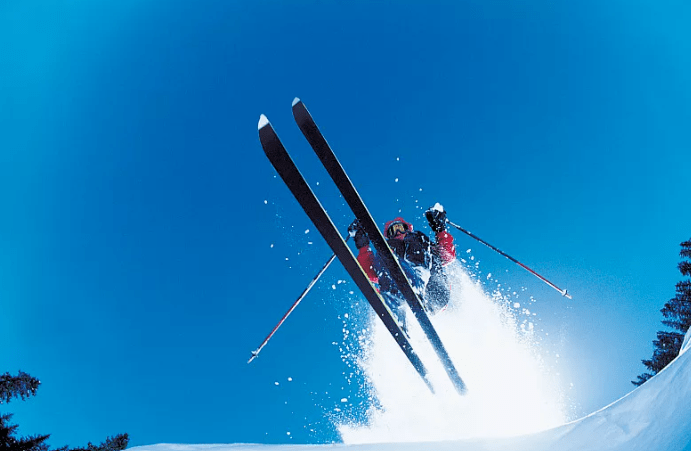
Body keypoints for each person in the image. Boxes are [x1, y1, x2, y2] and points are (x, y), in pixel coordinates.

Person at [347, 204, 456, 327]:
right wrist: (363, 246)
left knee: (413, 241)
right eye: (393, 230)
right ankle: (396, 309)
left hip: (434, 292)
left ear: (407, 228)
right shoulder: (389, 249)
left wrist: (440, 228)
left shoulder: (419, 240)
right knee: (384, 253)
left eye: (400, 228)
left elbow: (447, 255)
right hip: (403, 295)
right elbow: (371, 273)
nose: (398, 232)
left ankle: (415, 288)